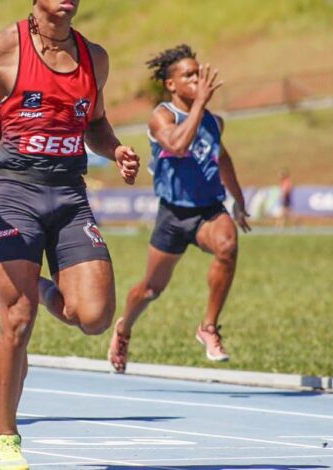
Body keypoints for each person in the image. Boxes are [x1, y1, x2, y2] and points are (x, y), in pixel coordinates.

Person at [0, 1, 140, 467]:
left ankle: (40, 289)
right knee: (17, 323)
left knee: (96, 316)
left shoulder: (94, 57)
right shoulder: (2, 46)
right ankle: (7, 436)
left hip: (69, 194)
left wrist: (116, 148)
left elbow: (96, 123)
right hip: (16, 192)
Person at [107, 45, 251, 374]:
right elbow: (177, 144)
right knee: (150, 289)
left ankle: (209, 327)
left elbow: (223, 159)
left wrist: (239, 201)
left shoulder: (214, 122)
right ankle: (124, 328)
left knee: (227, 246)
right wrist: (199, 103)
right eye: (189, 75)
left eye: (199, 74)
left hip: (208, 211)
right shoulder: (162, 116)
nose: (198, 80)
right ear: (171, 84)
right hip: (173, 215)